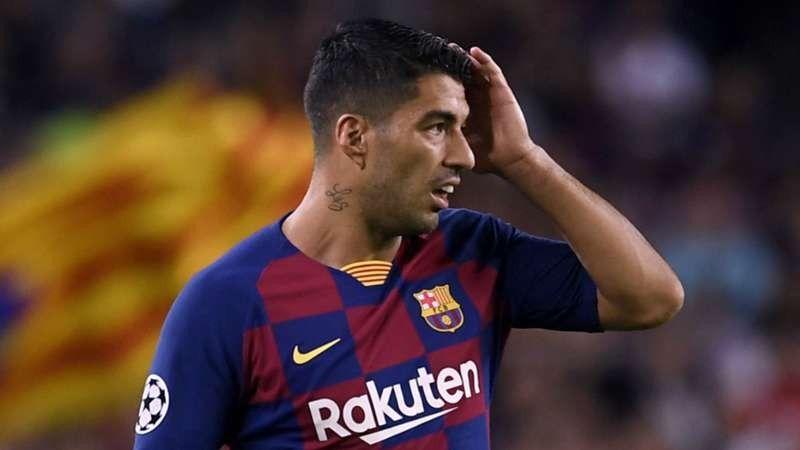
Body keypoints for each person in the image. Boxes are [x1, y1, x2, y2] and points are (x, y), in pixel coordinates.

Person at [133, 18, 683, 450]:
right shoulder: (227, 304)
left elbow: (651, 298)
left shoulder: (471, 252)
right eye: (437, 127)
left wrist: (525, 159)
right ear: (354, 137)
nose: (464, 156)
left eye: (461, 129)